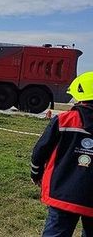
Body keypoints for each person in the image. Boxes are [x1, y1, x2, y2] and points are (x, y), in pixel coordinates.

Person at [31, 71, 93, 236]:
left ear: (79, 96)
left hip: (62, 193)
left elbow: (40, 151)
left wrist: (35, 174)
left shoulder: (64, 120)